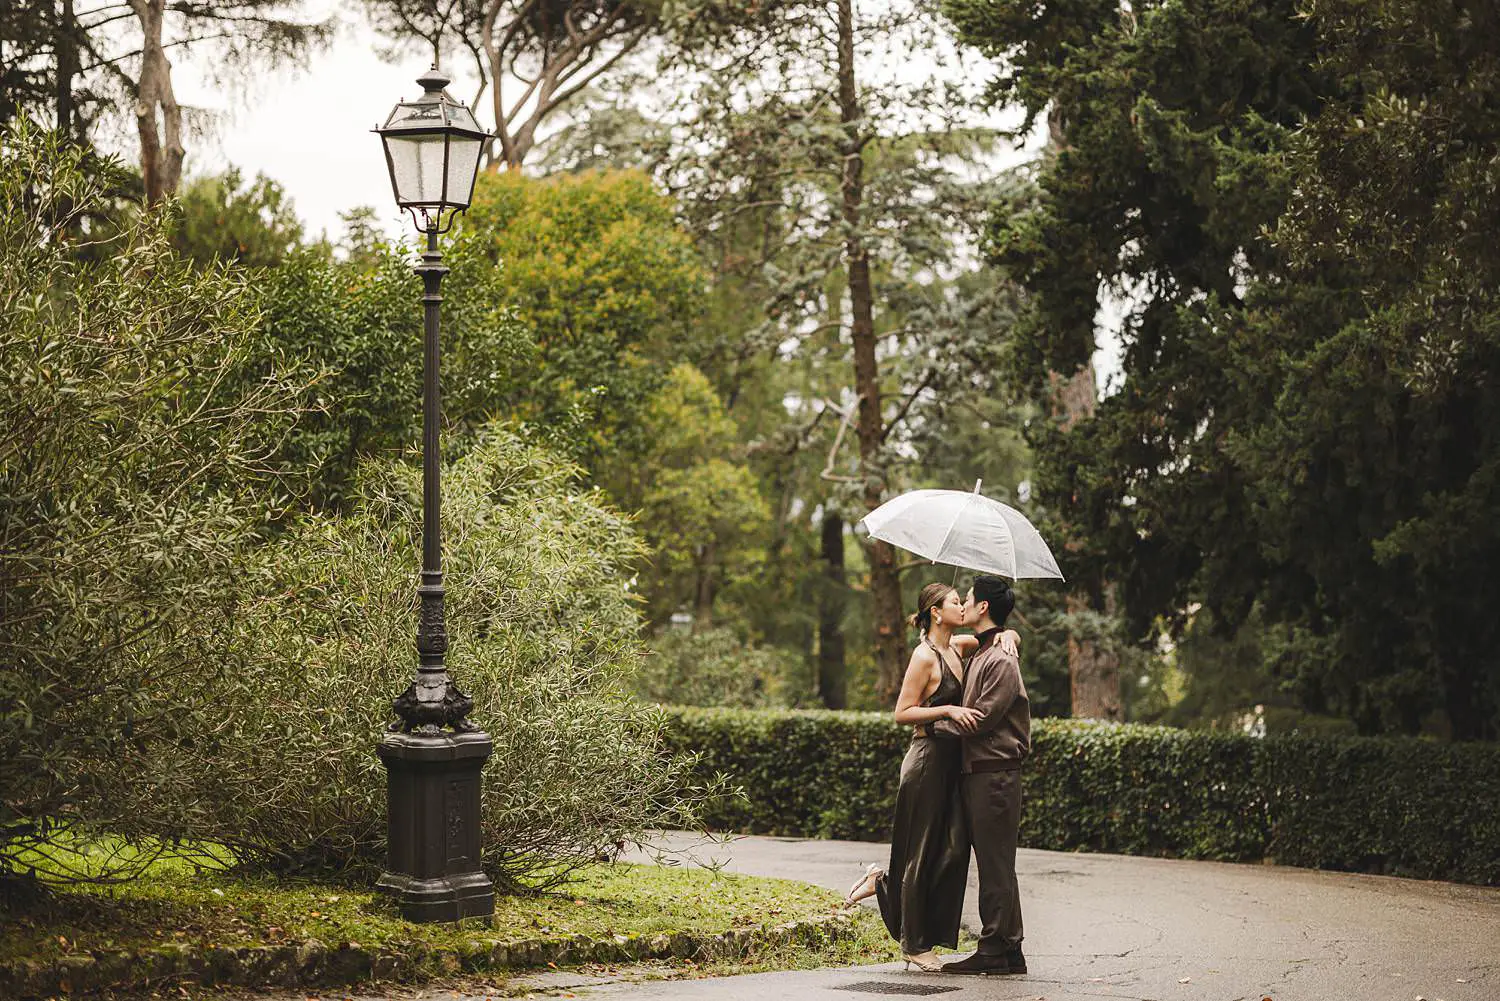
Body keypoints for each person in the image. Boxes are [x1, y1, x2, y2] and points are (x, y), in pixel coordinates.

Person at [843, 582, 1018, 973]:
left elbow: (994, 635)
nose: (963, 606)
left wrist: (1010, 632)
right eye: (956, 602)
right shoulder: (924, 657)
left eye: (963, 601)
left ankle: (883, 883)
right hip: (925, 762)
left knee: (955, 850)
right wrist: (948, 712)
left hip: (953, 764)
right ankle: (915, 944)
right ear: (936, 612)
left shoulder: (957, 647)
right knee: (920, 853)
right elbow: (902, 712)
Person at [931, 574, 1030, 976]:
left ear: (984, 607)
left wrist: (930, 726)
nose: (965, 604)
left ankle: (993, 949)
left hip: (995, 773)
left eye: (968, 599)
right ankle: (1009, 948)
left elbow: (982, 720)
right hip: (981, 771)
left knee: (994, 863)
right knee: (997, 862)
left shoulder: (1001, 658)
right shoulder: (984, 650)